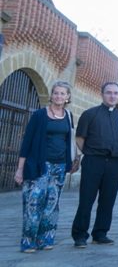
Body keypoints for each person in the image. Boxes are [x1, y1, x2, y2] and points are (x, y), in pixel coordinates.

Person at [15, 81, 78, 253]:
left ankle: (45, 239)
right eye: (56, 93)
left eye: (62, 93)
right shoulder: (40, 115)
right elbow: (26, 143)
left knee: (52, 204)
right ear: (51, 95)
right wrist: (20, 169)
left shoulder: (68, 116)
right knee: (33, 202)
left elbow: (69, 140)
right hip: (39, 165)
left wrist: (71, 161)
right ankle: (28, 241)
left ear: (68, 97)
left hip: (59, 167)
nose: (59, 96)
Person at [71, 82, 118, 248]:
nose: (112, 96)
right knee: (86, 200)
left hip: (115, 164)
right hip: (94, 162)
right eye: (109, 92)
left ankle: (100, 233)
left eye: (116, 93)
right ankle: (80, 235)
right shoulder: (90, 114)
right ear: (102, 94)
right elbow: (80, 138)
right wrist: (91, 153)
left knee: (107, 201)